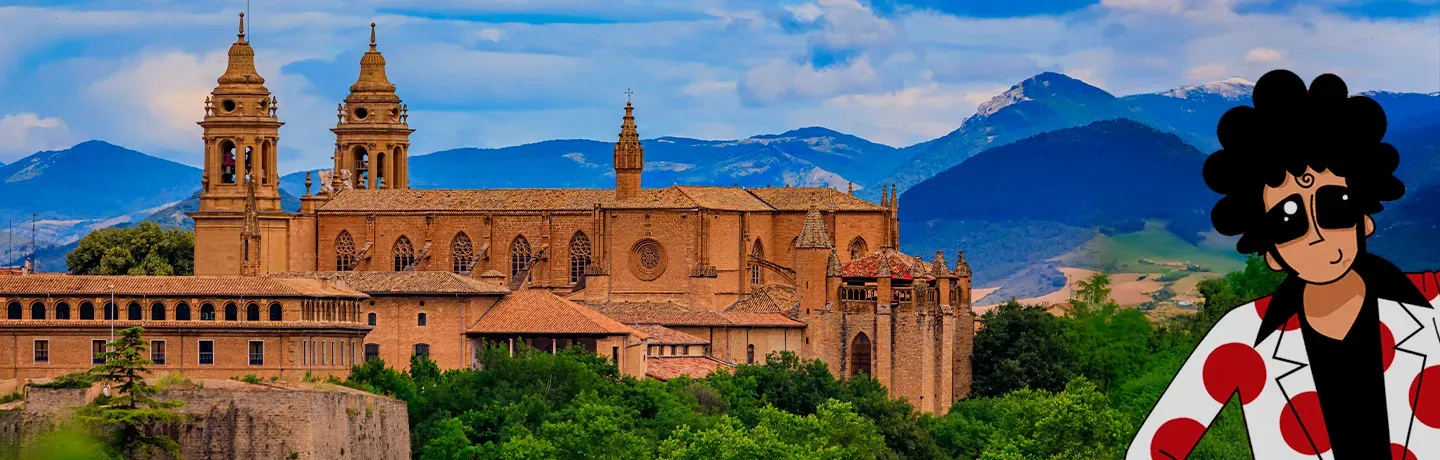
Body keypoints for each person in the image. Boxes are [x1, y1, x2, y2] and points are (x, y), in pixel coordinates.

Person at [1126, 69, 1439, 459]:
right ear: (1271, 252)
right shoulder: (1241, 339)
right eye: (1289, 222)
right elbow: (1154, 447)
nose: (1317, 233)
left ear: (1365, 217)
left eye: (1334, 206)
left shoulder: (1434, 304)